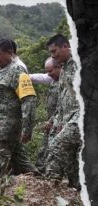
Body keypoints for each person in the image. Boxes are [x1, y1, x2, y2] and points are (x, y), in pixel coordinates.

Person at [0, 38, 38, 178]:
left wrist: (27, 129)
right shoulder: (3, 70)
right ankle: (42, 183)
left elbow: (29, 100)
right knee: (21, 163)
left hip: (6, 128)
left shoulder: (17, 70)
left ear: (10, 53)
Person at [44, 34, 81, 189]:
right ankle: (78, 190)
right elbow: (63, 98)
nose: (53, 56)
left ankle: (51, 187)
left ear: (66, 46)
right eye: (51, 53)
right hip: (68, 117)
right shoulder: (64, 68)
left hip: (80, 117)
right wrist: (58, 120)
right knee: (71, 159)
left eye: (55, 51)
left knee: (57, 145)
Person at [29, 57, 61, 171]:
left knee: (55, 148)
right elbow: (41, 77)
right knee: (44, 147)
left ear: (59, 67)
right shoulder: (53, 79)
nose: (48, 74)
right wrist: (25, 76)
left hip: (60, 122)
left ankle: (54, 174)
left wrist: (52, 120)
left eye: (50, 71)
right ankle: (40, 171)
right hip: (51, 121)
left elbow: (62, 106)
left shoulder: (66, 81)